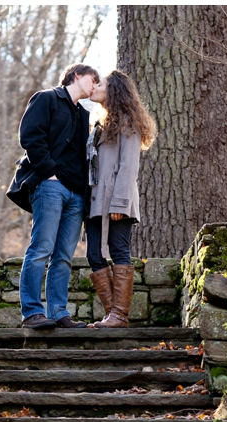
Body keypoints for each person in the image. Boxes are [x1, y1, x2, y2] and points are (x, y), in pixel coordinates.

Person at [6, 63, 99, 329]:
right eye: (93, 79)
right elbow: (30, 136)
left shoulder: (83, 114)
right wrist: (49, 172)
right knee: (41, 249)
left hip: (76, 194)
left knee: (64, 256)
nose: (95, 85)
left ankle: (59, 313)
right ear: (77, 76)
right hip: (50, 186)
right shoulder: (46, 98)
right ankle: (32, 313)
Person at [85, 70, 157, 328]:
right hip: (94, 201)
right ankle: (111, 315)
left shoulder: (128, 123)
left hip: (118, 201)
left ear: (113, 90)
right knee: (93, 253)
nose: (94, 87)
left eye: (100, 83)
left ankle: (119, 316)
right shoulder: (100, 124)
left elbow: (128, 167)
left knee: (118, 250)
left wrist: (119, 204)